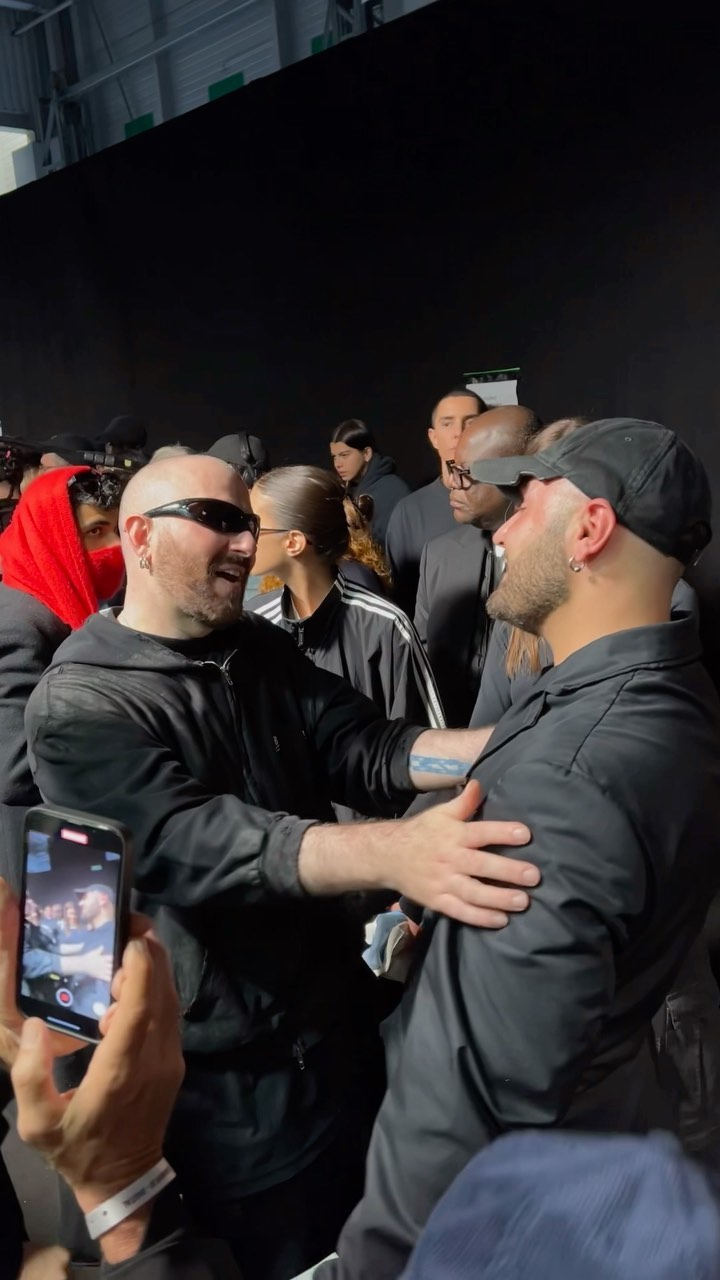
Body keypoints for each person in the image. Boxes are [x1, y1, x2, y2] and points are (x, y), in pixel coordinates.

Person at [23, 453, 540, 1280]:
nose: (243, 543)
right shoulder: (81, 698)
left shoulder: (256, 647)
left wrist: (514, 746)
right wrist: (396, 852)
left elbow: (366, 746)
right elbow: (195, 839)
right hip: (229, 1088)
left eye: (249, 524)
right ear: (139, 537)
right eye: (218, 520)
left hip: (337, 1040)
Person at [320, 419, 720, 1280]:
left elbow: (470, 1104)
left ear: (590, 529)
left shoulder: (569, 781)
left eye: (527, 504)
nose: (502, 530)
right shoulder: (657, 690)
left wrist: (376, 1263)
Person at [0, 466, 126, 893]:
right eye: (96, 532)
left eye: (116, 530)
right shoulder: (21, 625)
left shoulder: (56, 604)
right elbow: (14, 769)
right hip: (39, 853)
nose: (114, 547)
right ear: (55, 535)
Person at [248, 466, 444, 733]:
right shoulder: (253, 625)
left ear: (293, 542)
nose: (243, 538)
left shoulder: (386, 627)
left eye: (255, 525)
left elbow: (422, 742)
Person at [413, 406, 542, 725]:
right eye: (451, 468)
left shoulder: (563, 567)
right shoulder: (437, 556)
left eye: (465, 472)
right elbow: (420, 665)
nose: (452, 483)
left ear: (517, 474)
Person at [384, 389, 486, 614]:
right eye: (447, 424)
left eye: (470, 423)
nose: (458, 433)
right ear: (433, 437)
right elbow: (401, 596)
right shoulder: (409, 513)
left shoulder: (504, 505)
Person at [329, 420, 410, 547]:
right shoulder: (345, 491)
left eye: (344, 455)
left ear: (366, 453)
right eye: (334, 456)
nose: (337, 464)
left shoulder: (393, 491)